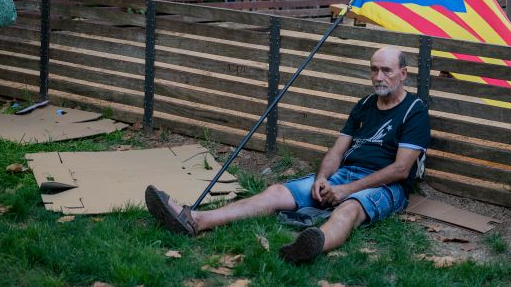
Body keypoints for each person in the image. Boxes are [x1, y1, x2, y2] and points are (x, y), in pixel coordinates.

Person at [145, 47, 430, 264]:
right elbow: (337, 150)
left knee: (350, 209)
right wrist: (322, 179)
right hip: (344, 176)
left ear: (403, 74)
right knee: (276, 191)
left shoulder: (414, 110)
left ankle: (314, 245)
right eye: (374, 70)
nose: (378, 77)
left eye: (386, 71)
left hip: (384, 186)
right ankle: (196, 219)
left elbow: (401, 169)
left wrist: (346, 190)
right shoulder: (365, 104)